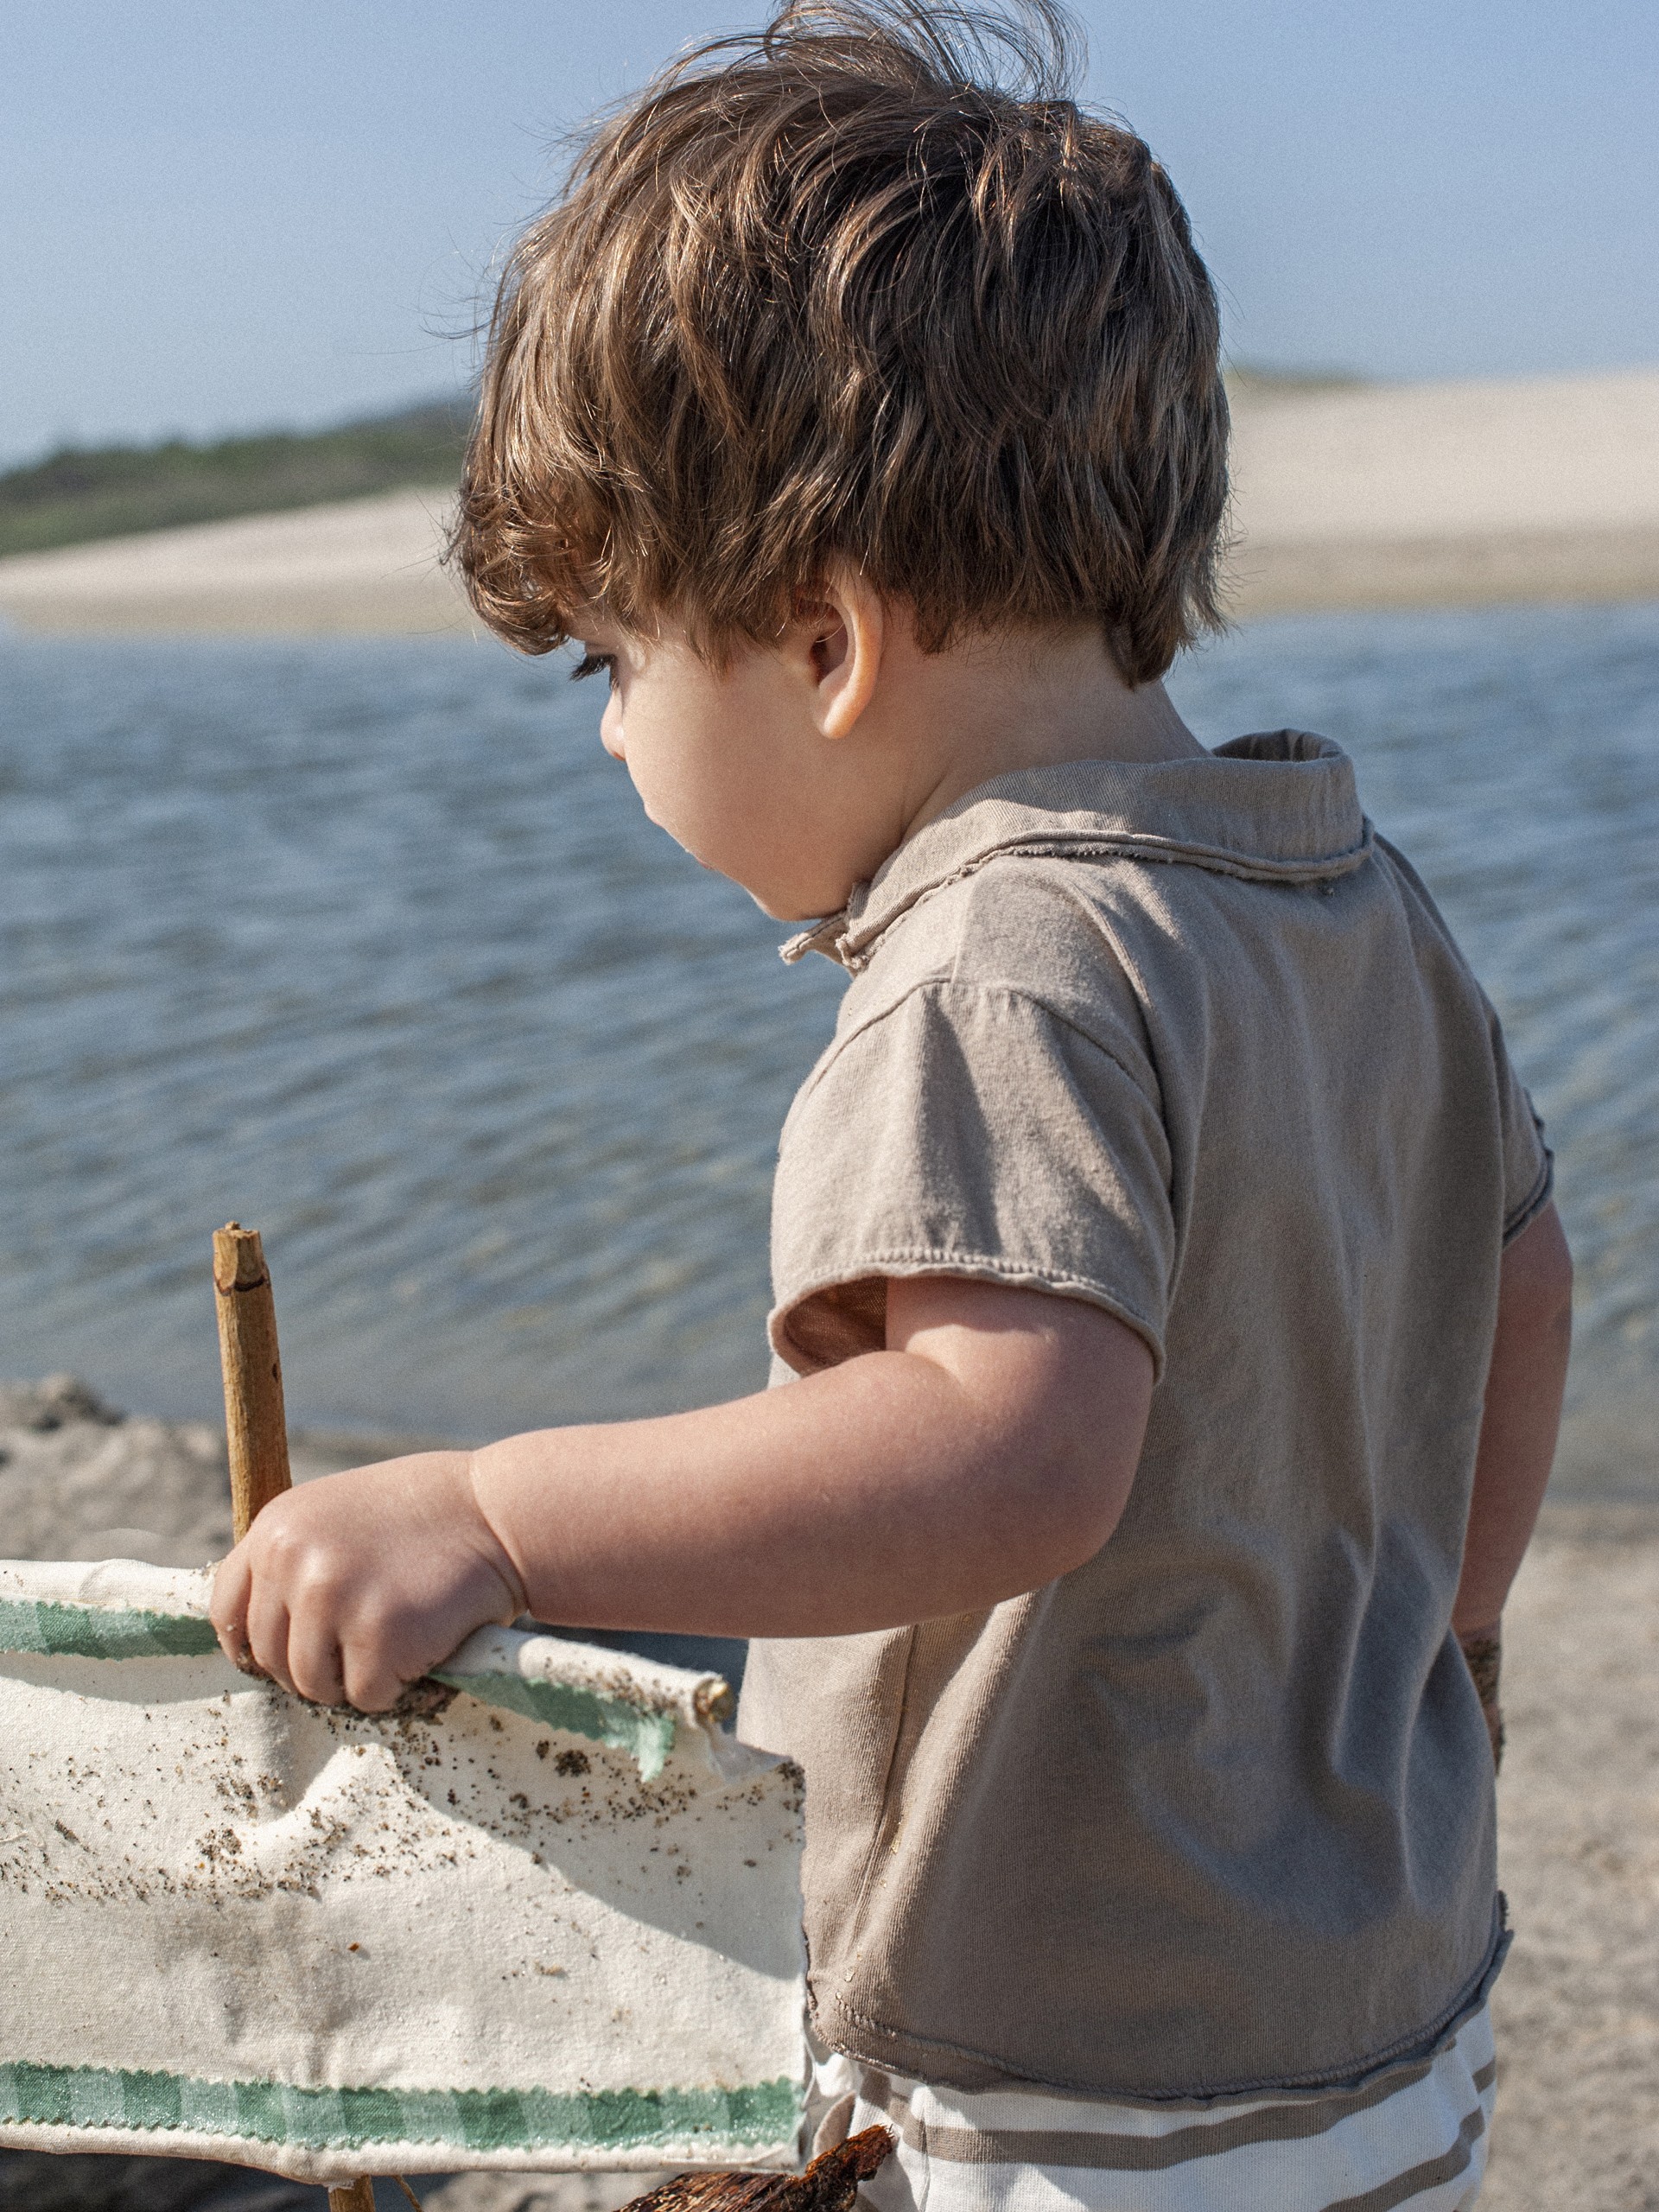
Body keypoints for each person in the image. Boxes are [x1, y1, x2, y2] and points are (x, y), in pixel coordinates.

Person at [210, 4, 1573, 2204]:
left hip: (1065, 2078)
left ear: (826, 642)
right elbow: (1524, 1280)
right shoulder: (1344, 885)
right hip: (1380, 2001)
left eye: (615, 662)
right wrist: (1443, 1639)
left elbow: (1000, 1444)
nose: (607, 740)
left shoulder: (990, 959)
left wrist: (496, 1508)